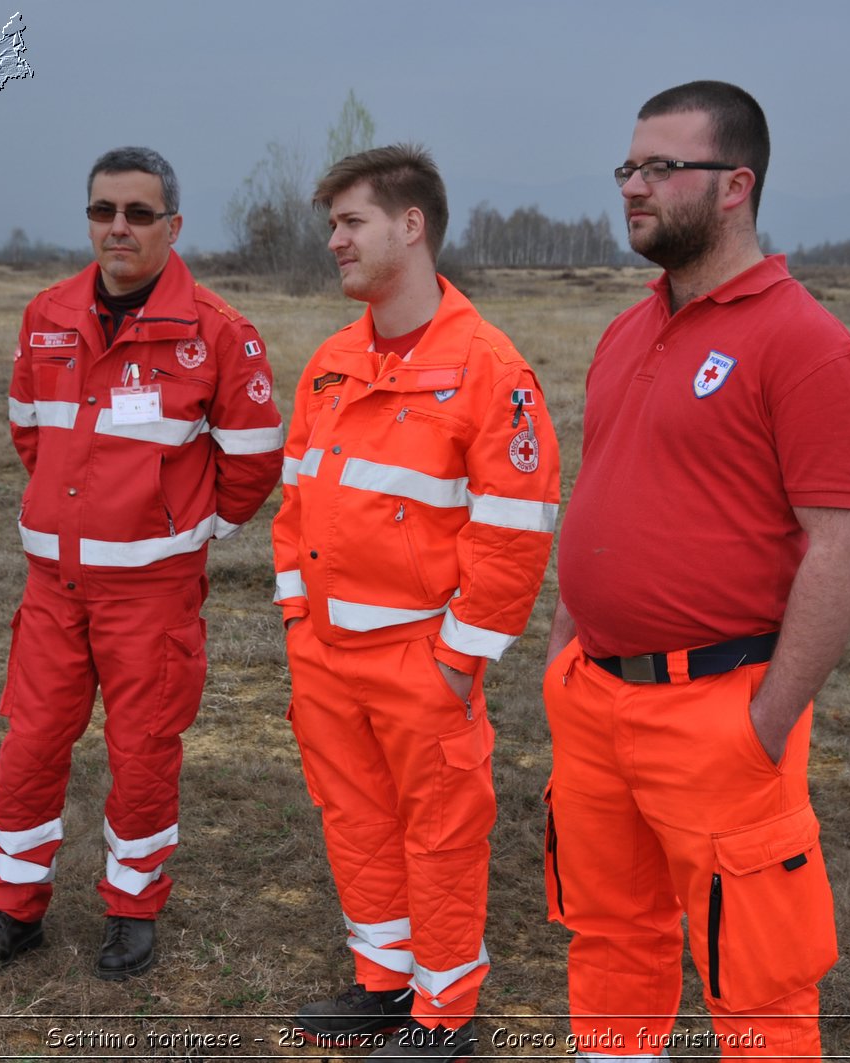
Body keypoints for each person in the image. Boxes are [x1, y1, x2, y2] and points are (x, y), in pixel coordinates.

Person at [542, 81, 850, 1060]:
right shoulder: (626, 330)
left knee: (758, 981)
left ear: (734, 185)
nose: (632, 187)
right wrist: (569, 650)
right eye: (628, 167)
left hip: (720, 713)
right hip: (595, 702)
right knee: (609, 940)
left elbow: (844, 547)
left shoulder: (806, 344)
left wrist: (765, 723)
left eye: (661, 167)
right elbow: (606, 493)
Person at [0, 146, 284, 979]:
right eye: (104, 211)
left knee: (142, 751)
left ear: (172, 226)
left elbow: (252, 461)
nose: (120, 228)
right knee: (30, 744)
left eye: (139, 213)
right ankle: (12, 908)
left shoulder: (218, 331)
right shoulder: (47, 314)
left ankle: (132, 910)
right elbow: (30, 432)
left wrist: (184, 528)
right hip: (52, 588)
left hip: (152, 596)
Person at [271, 144, 559, 1060]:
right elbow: (295, 503)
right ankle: (382, 985)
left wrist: (458, 656)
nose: (335, 242)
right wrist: (295, 621)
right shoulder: (330, 361)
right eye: (332, 226)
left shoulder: (489, 368)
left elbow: (514, 532)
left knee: (440, 837)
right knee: (353, 821)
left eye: (351, 223)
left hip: (421, 659)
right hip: (325, 655)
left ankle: (443, 1016)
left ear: (411, 225)